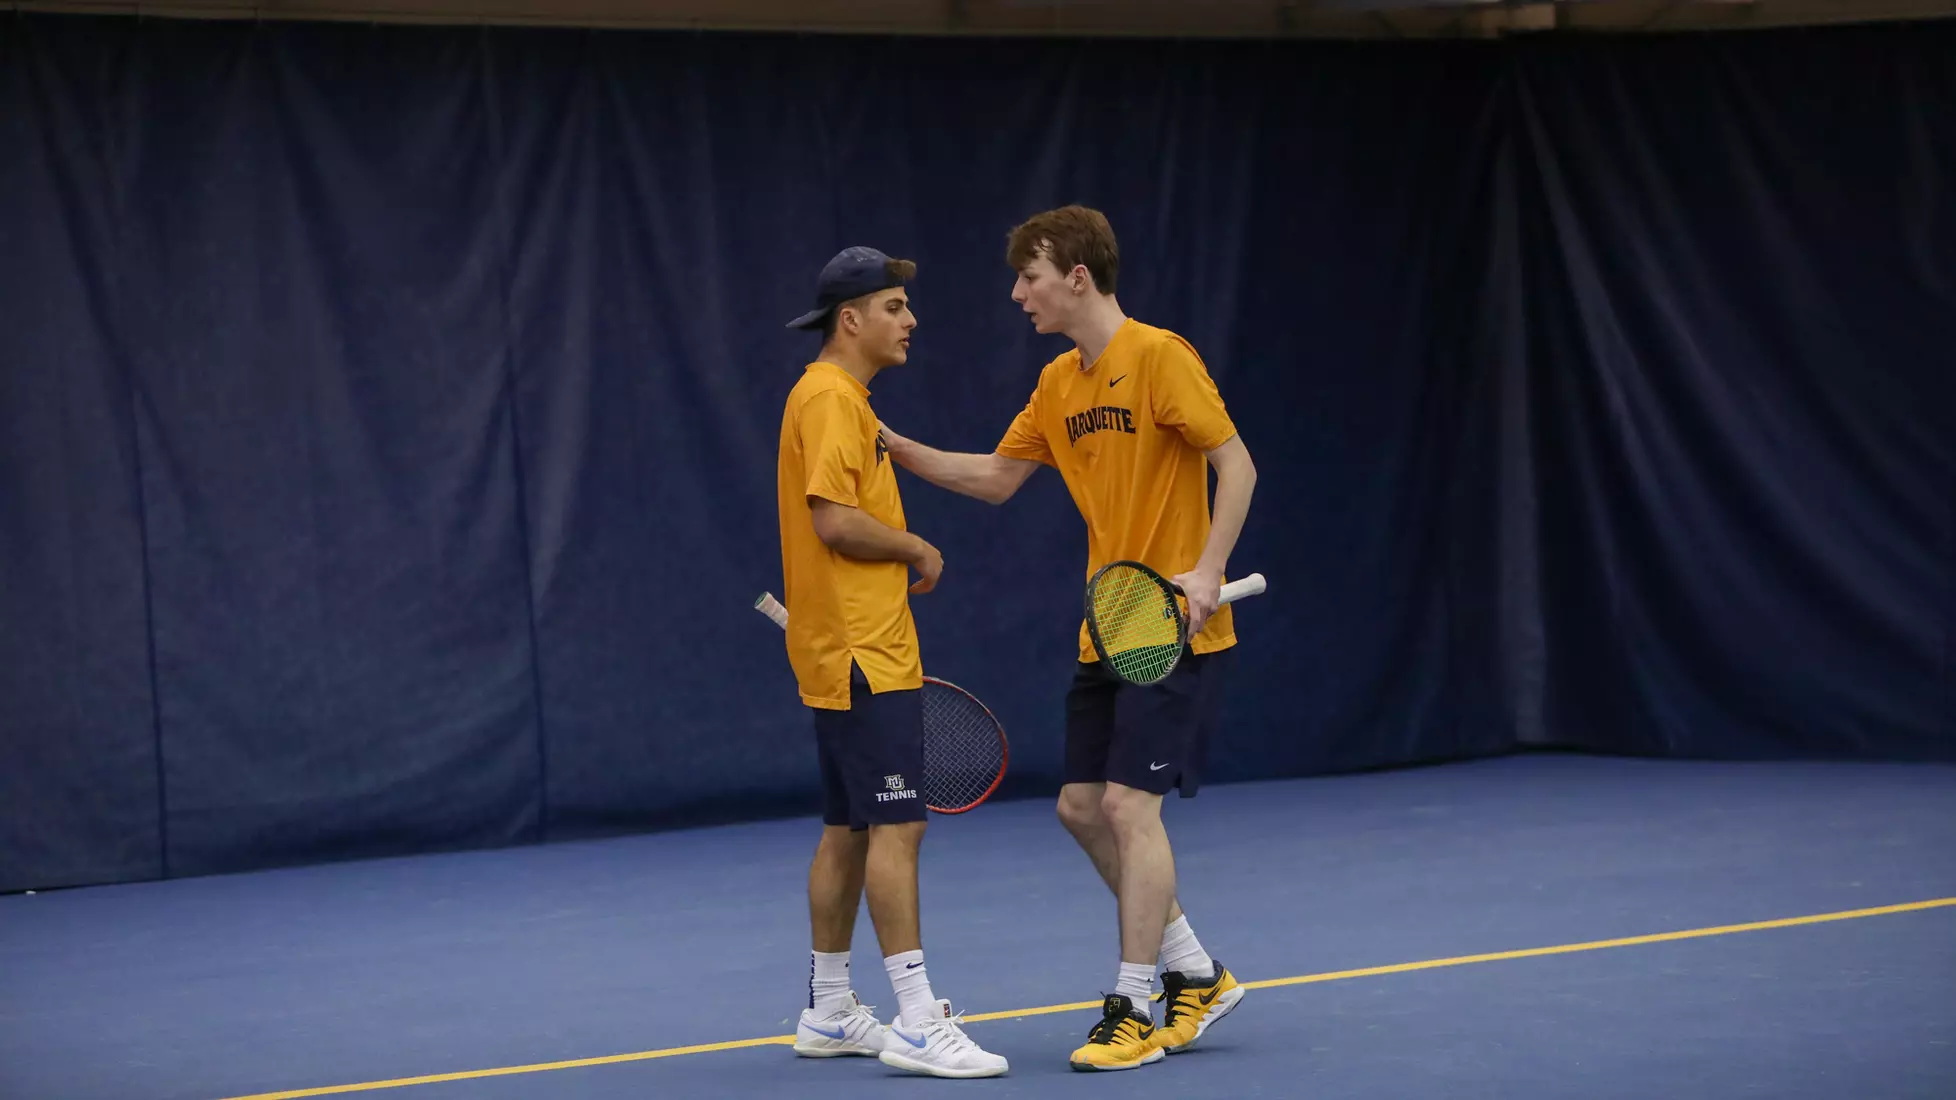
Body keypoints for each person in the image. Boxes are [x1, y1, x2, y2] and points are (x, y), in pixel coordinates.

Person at [879, 206, 1256, 1071]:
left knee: (1129, 808)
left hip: (1175, 629)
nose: (1018, 294)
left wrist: (1206, 570)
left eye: (1030, 278)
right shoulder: (1059, 385)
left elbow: (1236, 463)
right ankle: (1196, 972)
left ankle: (1133, 1002)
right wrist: (891, 445)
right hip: (1109, 626)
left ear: (1076, 277)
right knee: (1081, 807)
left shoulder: (1161, 358)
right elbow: (997, 478)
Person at [776, 246, 1009, 1080]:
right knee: (897, 826)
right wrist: (916, 544)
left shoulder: (829, 397)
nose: (910, 323)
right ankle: (915, 1018)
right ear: (853, 319)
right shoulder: (835, 399)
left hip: (844, 650)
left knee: (848, 827)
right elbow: (835, 522)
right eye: (895, 308)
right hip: (864, 652)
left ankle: (831, 1007)